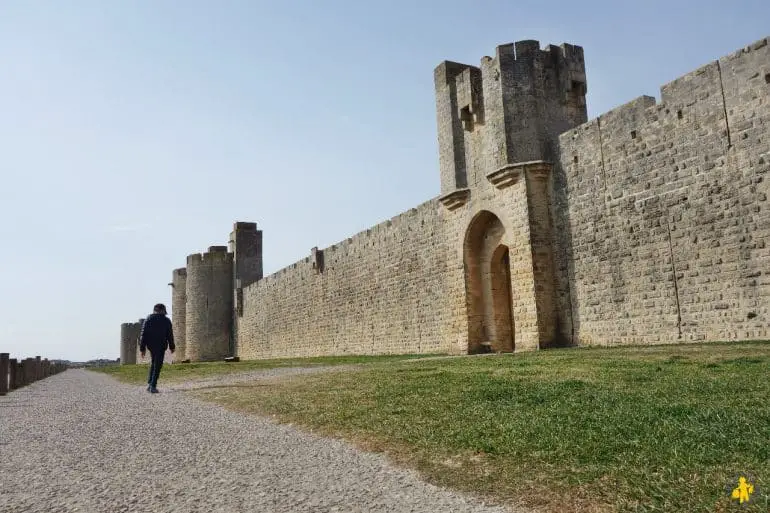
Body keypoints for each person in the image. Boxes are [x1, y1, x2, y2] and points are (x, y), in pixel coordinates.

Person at [139, 303, 175, 393]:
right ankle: (153, 385)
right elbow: (169, 335)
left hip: (151, 345)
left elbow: (143, 334)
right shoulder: (166, 320)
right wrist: (172, 346)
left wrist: (142, 348)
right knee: (157, 365)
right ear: (162, 310)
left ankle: (150, 383)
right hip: (161, 344)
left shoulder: (148, 319)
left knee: (154, 363)